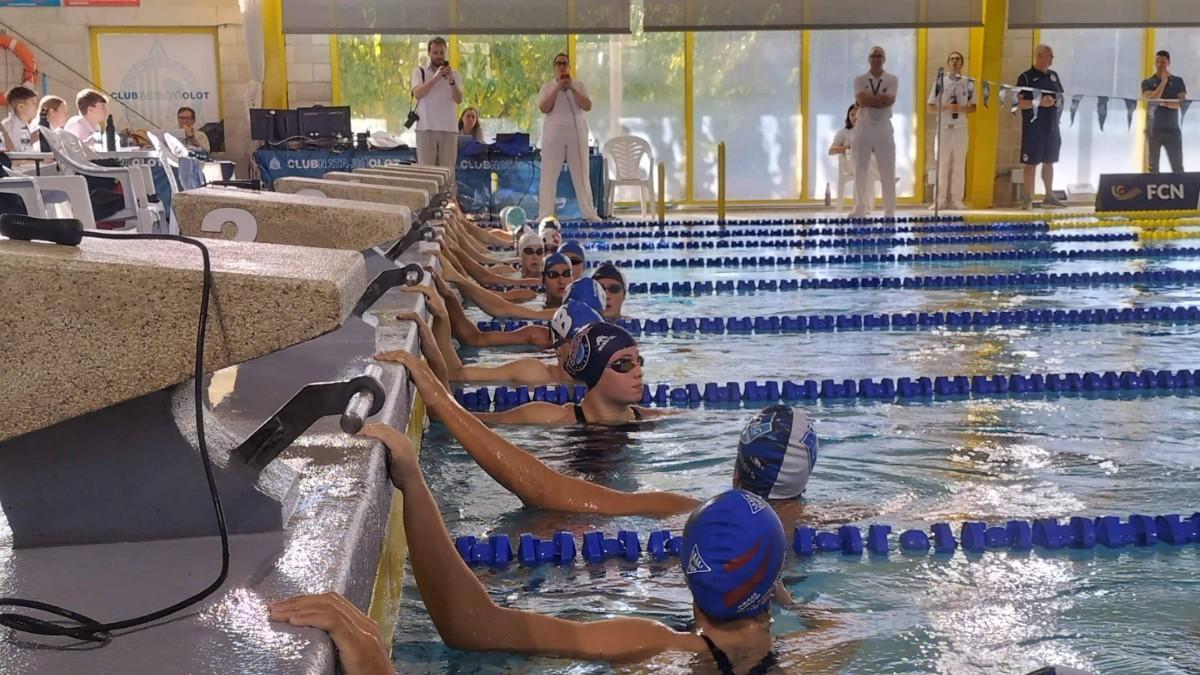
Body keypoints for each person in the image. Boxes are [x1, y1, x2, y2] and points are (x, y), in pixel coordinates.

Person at [283, 419, 804, 669]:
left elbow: (473, 627)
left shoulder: (651, 647)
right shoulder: (810, 657)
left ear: (688, 572)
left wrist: (414, 485)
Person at [464, 321, 668, 426]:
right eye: (624, 365)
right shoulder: (549, 417)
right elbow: (462, 420)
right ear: (595, 371)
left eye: (638, 361)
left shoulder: (652, 418)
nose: (639, 371)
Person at [537, 53, 601, 222]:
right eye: (558, 63)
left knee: (581, 174)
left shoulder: (579, 85)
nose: (561, 66)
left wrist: (571, 88)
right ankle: (545, 215)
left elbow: (587, 106)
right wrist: (558, 87)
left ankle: (588, 213)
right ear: (554, 68)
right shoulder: (547, 87)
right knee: (548, 175)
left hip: (576, 135)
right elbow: (544, 108)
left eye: (564, 63)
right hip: (553, 137)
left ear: (570, 67)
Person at [1017, 44, 1066, 209]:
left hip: (1052, 125)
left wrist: (1056, 102)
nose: (1052, 59)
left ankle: (1049, 195)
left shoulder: (1053, 76)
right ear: (1039, 56)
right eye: (1049, 56)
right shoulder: (1026, 77)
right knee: (1030, 163)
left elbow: (1061, 96)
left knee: (1049, 160)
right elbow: (1018, 103)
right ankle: (1027, 197)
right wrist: (1038, 102)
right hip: (1034, 128)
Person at [851, 46, 898, 219]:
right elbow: (861, 100)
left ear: (884, 59)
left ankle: (889, 210)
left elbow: (889, 101)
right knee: (860, 168)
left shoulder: (892, 79)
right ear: (868, 59)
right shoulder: (860, 79)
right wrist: (878, 100)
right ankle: (860, 208)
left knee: (887, 170)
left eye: (880, 56)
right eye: (874, 55)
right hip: (864, 126)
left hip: (883, 127)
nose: (877, 58)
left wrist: (870, 100)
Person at [927, 51, 976, 210]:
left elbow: (974, 107)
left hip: (960, 128)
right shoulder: (940, 82)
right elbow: (930, 107)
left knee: (959, 164)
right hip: (944, 128)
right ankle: (940, 199)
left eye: (958, 59)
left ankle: (956, 199)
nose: (955, 62)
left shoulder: (968, 83)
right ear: (948, 63)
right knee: (941, 163)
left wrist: (962, 109)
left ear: (962, 63)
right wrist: (947, 107)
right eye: (952, 59)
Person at [411, 37, 463, 186]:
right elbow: (418, 94)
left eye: (441, 53)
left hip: (449, 129)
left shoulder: (455, 75)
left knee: (448, 174)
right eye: (435, 53)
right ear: (429, 53)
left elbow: (459, 99)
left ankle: (447, 207)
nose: (439, 56)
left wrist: (451, 81)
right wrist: (435, 78)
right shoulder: (419, 72)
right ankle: (427, 207)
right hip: (426, 128)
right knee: (426, 175)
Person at [1142, 50, 1188, 174]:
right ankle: (1153, 192)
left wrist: (1163, 102)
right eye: (1157, 61)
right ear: (1154, 63)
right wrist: (1163, 82)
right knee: (1153, 168)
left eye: (1163, 62)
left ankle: (1180, 191)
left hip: (1172, 130)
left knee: (1177, 167)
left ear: (1169, 63)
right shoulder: (1147, 82)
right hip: (1153, 131)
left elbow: (1181, 104)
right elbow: (1151, 100)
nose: (1160, 64)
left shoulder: (1178, 81)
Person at [1, 86, 38, 152]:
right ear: (20, 107)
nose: (36, 106)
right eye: (33, 103)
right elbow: (15, 155)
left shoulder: (24, 124)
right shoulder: (9, 126)